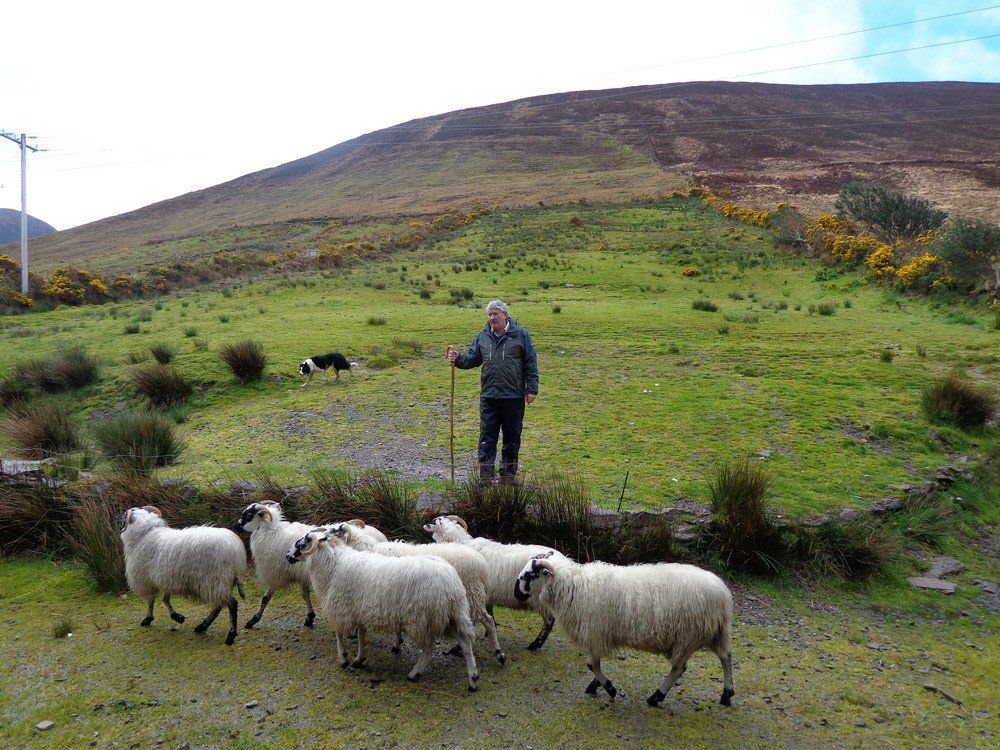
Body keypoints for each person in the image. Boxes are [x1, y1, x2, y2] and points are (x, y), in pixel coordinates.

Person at [447, 300, 539, 482]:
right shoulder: (483, 336)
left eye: (495, 314)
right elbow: (473, 359)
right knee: (487, 437)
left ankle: (508, 477)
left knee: (512, 438)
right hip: (489, 396)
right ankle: (486, 478)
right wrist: (457, 359)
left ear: (505, 315)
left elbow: (530, 362)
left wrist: (532, 388)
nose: (491, 318)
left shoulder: (520, 335)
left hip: (513, 396)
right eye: (489, 315)